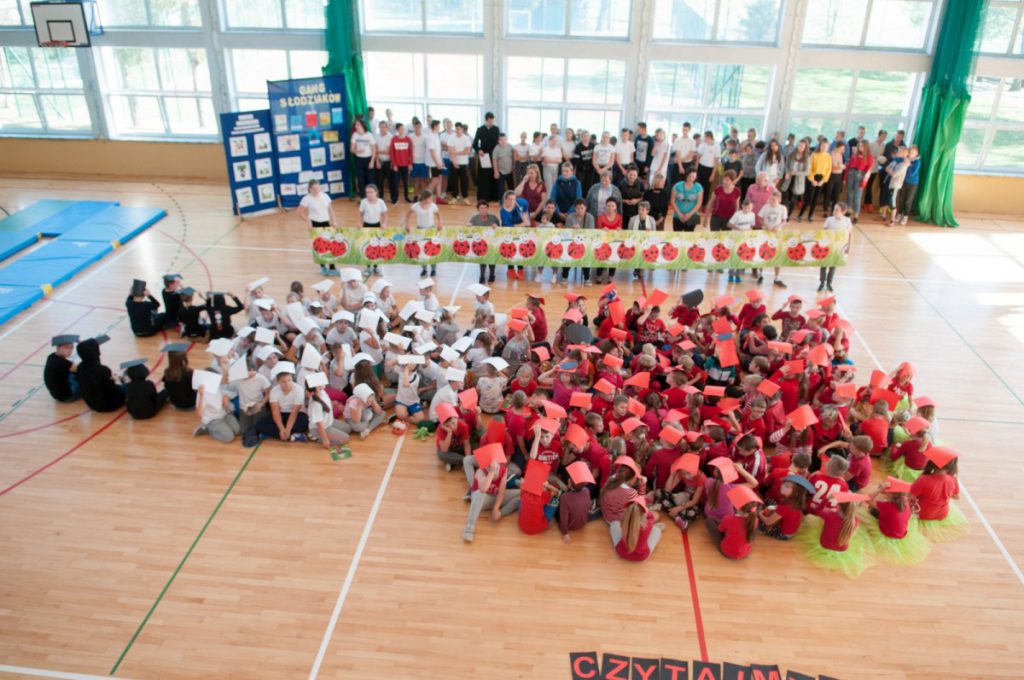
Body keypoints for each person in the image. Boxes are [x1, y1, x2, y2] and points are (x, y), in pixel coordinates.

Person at [463, 451, 520, 542]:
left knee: (521, 494)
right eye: (489, 467)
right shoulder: (480, 472)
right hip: (482, 500)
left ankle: (500, 513)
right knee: (478, 494)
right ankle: (469, 528)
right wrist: (491, 472)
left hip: (494, 497)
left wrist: (496, 508)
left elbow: (501, 491)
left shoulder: (503, 470)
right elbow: (483, 489)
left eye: (496, 467)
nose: (494, 470)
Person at [297, 180, 338, 277]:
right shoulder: (306, 199)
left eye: (318, 187)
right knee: (319, 247)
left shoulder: (325, 196)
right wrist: (308, 221)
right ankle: (323, 267)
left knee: (330, 245)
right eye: (314, 188)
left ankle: (332, 267)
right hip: (315, 224)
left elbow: (331, 210)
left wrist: (334, 221)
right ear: (310, 189)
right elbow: (299, 213)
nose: (316, 190)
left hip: (326, 223)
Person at [75, 338, 124, 412]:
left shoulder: (79, 367)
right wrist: (117, 381)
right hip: (110, 405)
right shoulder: (103, 369)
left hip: (92, 405)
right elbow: (113, 391)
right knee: (127, 383)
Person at [610, 497, 664, 562]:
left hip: (622, 553)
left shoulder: (623, 520)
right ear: (644, 512)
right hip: (641, 557)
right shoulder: (648, 523)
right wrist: (647, 511)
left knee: (614, 524)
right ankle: (657, 527)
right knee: (657, 530)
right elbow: (653, 516)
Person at [404, 191, 442, 277]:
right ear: (424, 198)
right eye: (430, 198)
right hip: (420, 230)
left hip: (431, 230)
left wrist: (440, 223)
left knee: (432, 249)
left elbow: (438, 215)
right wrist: (407, 223)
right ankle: (424, 269)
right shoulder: (416, 206)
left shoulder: (433, 206)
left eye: (431, 198)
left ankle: (433, 269)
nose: (431, 200)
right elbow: (408, 214)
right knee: (422, 250)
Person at [819, 202, 852, 292]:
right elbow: (823, 231)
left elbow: (849, 234)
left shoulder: (847, 221)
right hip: (828, 245)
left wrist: (849, 246)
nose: (834, 211)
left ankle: (829, 283)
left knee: (833, 265)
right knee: (823, 264)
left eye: (837, 210)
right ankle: (822, 282)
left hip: (838, 248)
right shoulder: (829, 220)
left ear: (843, 211)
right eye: (834, 209)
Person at [359, 184, 388, 277]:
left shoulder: (381, 202)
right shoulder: (363, 202)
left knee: (377, 247)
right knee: (368, 246)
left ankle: (376, 267)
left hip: (377, 226)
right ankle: (368, 267)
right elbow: (361, 214)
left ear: (376, 192)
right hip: (366, 226)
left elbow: (385, 215)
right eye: (367, 192)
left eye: (371, 192)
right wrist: (359, 223)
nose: (369, 194)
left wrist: (384, 223)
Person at [798, 141, 831, 222]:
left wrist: (823, 181)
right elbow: (810, 168)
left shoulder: (828, 156)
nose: (824, 148)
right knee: (809, 198)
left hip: (821, 179)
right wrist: (812, 180)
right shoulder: (814, 155)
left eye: (826, 146)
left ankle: (810, 215)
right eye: (823, 146)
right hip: (813, 178)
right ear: (820, 146)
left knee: (816, 199)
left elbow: (829, 170)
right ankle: (800, 215)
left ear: (828, 147)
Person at [472, 112, 500, 201]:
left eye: (493, 121)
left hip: (494, 155)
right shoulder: (480, 129)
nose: (492, 123)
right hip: (484, 156)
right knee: (484, 177)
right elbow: (475, 144)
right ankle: (484, 197)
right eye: (490, 121)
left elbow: (498, 142)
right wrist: (479, 150)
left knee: (493, 175)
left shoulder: (496, 129)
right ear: (486, 120)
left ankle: (494, 197)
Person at [44, 334, 79, 402]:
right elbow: (83, 369)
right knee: (88, 377)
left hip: (56, 394)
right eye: (66, 348)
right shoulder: (63, 363)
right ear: (58, 348)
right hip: (67, 396)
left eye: (72, 348)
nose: (70, 350)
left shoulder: (51, 356)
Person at [161, 344, 196, 410]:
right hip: (190, 405)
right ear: (184, 358)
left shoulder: (167, 372)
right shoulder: (189, 372)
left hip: (176, 404)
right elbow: (195, 388)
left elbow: (166, 387)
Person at [447, 122, 473, 205]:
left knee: (464, 181)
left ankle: (465, 197)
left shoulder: (466, 138)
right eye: (456, 129)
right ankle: (454, 197)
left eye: (459, 129)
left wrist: (456, 152)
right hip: (454, 162)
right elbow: (450, 150)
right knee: (454, 181)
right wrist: (454, 161)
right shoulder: (451, 137)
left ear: (462, 129)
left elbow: (467, 151)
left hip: (464, 163)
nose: (457, 131)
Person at [349, 119, 376, 198]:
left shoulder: (369, 135)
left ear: (362, 125)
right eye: (355, 125)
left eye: (358, 125)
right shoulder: (355, 135)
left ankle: (372, 197)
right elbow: (351, 149)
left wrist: (372, 161)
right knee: (360, 180)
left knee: (370, 180)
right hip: (359, 160)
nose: (356, 126)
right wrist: (357, 150)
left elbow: (374, 149)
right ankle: (363, 198)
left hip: (368, 159)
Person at [893, 145, 920, 226]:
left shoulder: (917, 162)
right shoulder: (905, 158)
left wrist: (908, 165)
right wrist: (897, 156)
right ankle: (899, 214)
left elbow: (912, 173)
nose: (911, 154)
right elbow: (896, 159)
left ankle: (905, 216)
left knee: (908, 201)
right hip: (903, 182)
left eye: (913, 153)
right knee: (901, 199)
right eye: (910, 152)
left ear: (916, 154)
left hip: (912, 184)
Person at [388, 122, 413, 203]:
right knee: (395, 182)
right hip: (397, 166)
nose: (402, 130)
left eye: (403, 128)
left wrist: (410, 164)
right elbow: (391, 153)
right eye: (401, 129)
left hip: (406, 165)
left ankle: (406, 196)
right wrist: (394, 164)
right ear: (397, 130)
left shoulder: (408, 139)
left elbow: (410, 152)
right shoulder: (394, 139)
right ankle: (395, 198)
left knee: (406, 182)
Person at [695, 130, 718, 208]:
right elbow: (698, 158)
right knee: (698, 185)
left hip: (709, 169)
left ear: (709, 137)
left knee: (706, 187)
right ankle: (696, 202)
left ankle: (703, 204)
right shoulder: (702, 145)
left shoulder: (717, 147)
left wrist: (713, 174)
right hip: (701, 167)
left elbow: (716, 162)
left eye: (704, 137)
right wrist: (695, 170)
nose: (703, 138)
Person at [374, 120, 394, 204]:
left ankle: (393, 198)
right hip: (379, 161)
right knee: (379, 181)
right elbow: (375, 150)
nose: (382, 129)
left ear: (387, 127)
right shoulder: (376, 136)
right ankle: (380, 198)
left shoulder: (390, 137)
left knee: (391, 181)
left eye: (384, 127)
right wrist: (377, 161)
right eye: (380, 127)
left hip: (388, 162)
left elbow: (388, 151)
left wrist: (377, 150)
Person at [491, 132, 515, 197]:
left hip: (509, 171)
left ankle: (512, 199)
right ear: (498, 140)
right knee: (500, 188)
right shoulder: (496, 148)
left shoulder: (510, 147)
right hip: (500, 171)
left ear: (506, 139)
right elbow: (494, 160)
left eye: (504, 139)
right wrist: (496, 172)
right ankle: (501, 200)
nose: (503, 141)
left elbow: (513, 157)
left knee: (511, 186)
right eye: (501, 140)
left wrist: (513, 166)